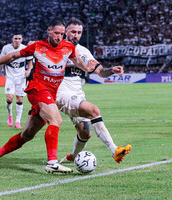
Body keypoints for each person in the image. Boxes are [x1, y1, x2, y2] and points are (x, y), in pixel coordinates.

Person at [0, 18, 96, 174]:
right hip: (38, 90)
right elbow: (13, 56)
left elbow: (77, 61)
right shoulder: (38, 47)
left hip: (50, 94)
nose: (59, 37)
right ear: (49, 31)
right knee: (56, 120)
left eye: (61, 34)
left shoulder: (68, 47)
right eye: (56, 33)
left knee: (27, 135)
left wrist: (87, 68)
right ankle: (52, 162)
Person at [56, 17, 132, 164]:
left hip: (77, 93)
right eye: (73, 32)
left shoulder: (84, 51)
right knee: (94, 111)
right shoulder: (58, 48)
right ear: (65, 32)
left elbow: (101, 72)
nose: (76, 35)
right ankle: (114, 150)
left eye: (79, 32)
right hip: (62, 92)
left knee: (85, 132)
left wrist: (112, 70)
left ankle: (72, 157)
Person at [0, 34, 33, 129]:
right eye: (15, 38)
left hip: (21, 78)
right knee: (9, 98)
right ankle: (10, 115)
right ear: (12, 39)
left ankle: (18, 121)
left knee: (19, 99)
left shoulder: (25, 48)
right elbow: (0, 62)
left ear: (22, 39)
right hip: (10, 77)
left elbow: (30, 62)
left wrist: (28, 70)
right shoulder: (6, 48)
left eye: (19, 39)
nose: (17, 40)